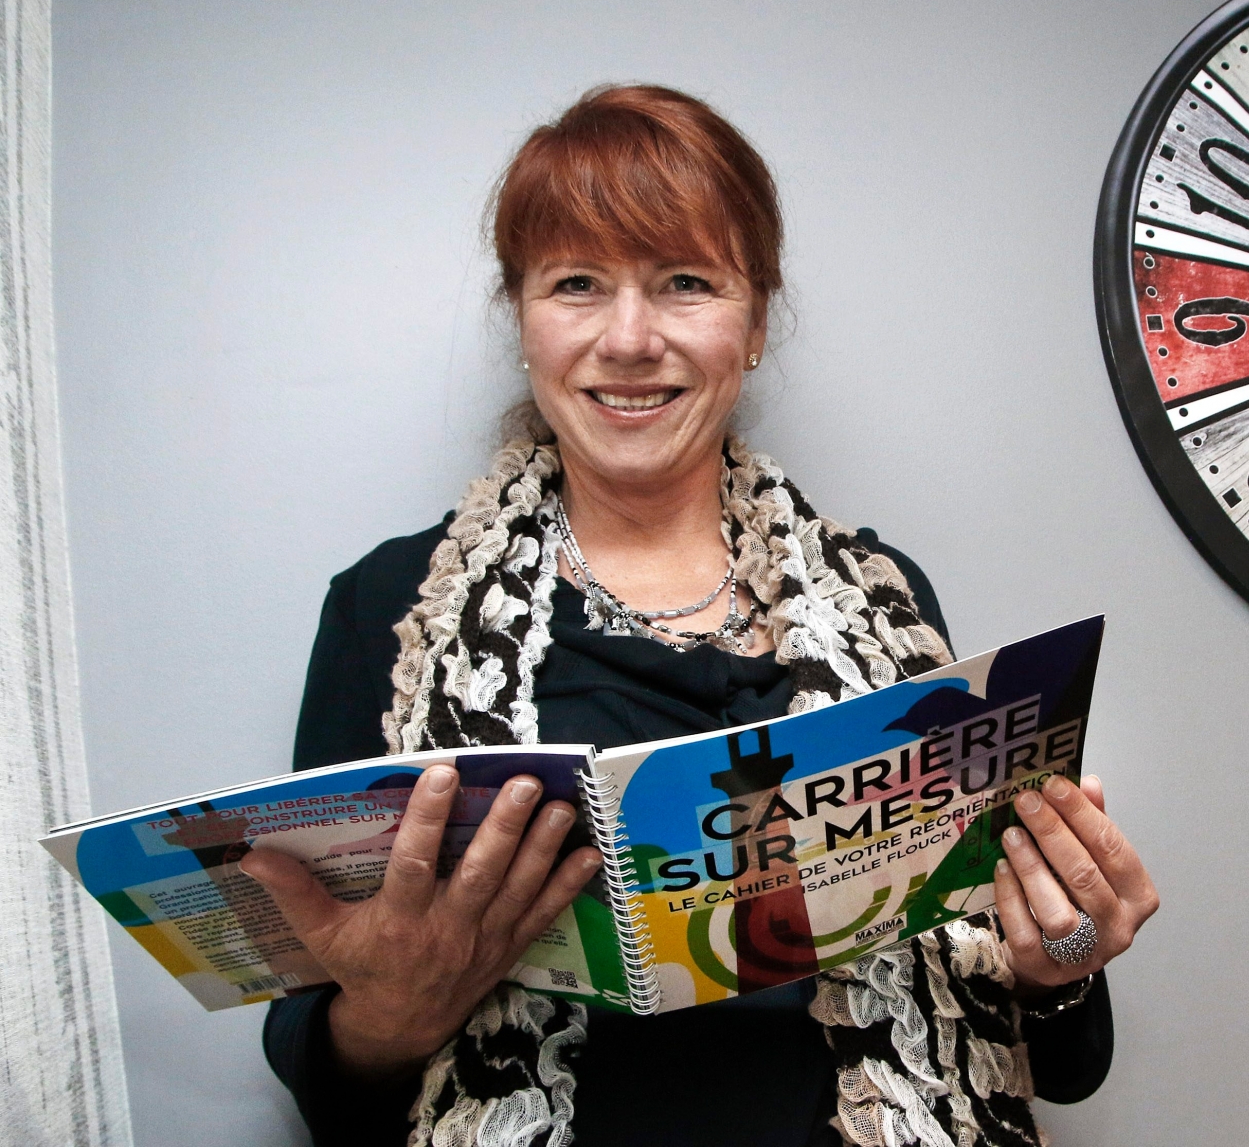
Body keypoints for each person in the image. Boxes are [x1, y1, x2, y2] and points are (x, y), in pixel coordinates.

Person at [241, 84, 1159, 1147]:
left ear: (755, 320)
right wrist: (395, 1011)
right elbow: (320, 1082)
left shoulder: (885, 603)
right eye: (576, 284)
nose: (630, 340)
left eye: (686, 284)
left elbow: (1058, 1055)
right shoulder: (386, 609)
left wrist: (1065, 954)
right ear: (523, 320)